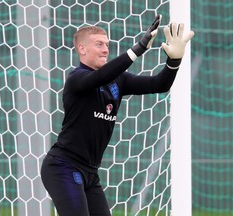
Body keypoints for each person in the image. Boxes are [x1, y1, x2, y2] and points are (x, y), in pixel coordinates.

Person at [41, 14, 194, 216]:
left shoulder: (118, 81)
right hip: (63, 167)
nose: (105, 49)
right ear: (82, 49)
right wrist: (138, 48)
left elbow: (159, 84)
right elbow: (100, 77)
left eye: (107, 44)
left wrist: (174, 60)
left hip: (90, 172)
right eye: (99, 44)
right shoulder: (76, 79)